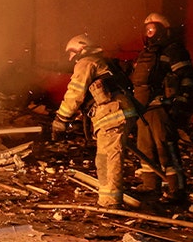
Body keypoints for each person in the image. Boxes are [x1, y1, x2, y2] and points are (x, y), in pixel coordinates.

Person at [50, 34, 139, 208]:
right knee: (105, 157)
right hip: (118, 112)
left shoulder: (86, 63)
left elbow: (75, 93)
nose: (70, 58)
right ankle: (108, 198)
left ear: (82, 49)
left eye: (71, 53)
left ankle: (110, 202)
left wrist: (61, 118)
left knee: (108, 158)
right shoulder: (100, 62)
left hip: (112, 115)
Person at [128, 13, 193, 203]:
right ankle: (150, 184)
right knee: (145, 148)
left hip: (161, 107)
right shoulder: (146, 53)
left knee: (165, 148)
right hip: (142, 108)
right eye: (147, 29)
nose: (149, 32)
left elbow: (187, 78)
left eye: (153, 28)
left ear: (163, 30)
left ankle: (177, 189)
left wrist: (180, 105)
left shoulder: (174, 50)